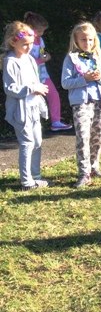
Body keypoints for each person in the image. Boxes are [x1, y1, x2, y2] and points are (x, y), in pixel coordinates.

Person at [61, 22, 101, 188]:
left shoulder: (99, 57)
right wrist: (84, 79)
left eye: (90, 39)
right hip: (81, 103)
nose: (87, 43)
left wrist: (99, 78)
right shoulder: (71, 59)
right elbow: (65, 83)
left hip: (99, 101)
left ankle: (94, 166)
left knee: (97, 135)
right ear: (76, 40)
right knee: (83, 136)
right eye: (83, 39)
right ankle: (84, 173)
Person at [1, 21, 50, 190]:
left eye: (31, 43)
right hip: (21, 111)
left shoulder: (29, 59)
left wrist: (39, 91)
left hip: (34, 107)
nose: (29, 47)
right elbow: (10, 88)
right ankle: (26, 181)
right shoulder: (10, 61)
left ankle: (35, 175)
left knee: (37, 142)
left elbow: (35, 80)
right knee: (27, 143)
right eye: (25, 44)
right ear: (13, 42)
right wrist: (31, 89)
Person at [23, 12, 73, 132]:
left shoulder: (40, 40)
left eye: (42, 31)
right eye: (39, 31)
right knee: (32, 100)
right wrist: (41, 60)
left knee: (54, 95)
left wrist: (46, 56)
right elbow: (25, 61)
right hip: (31, 77)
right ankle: (31, 125)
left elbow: (42, 52)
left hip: (43, 74)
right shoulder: (25, 42)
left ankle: (56, 121)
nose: (41, 33)